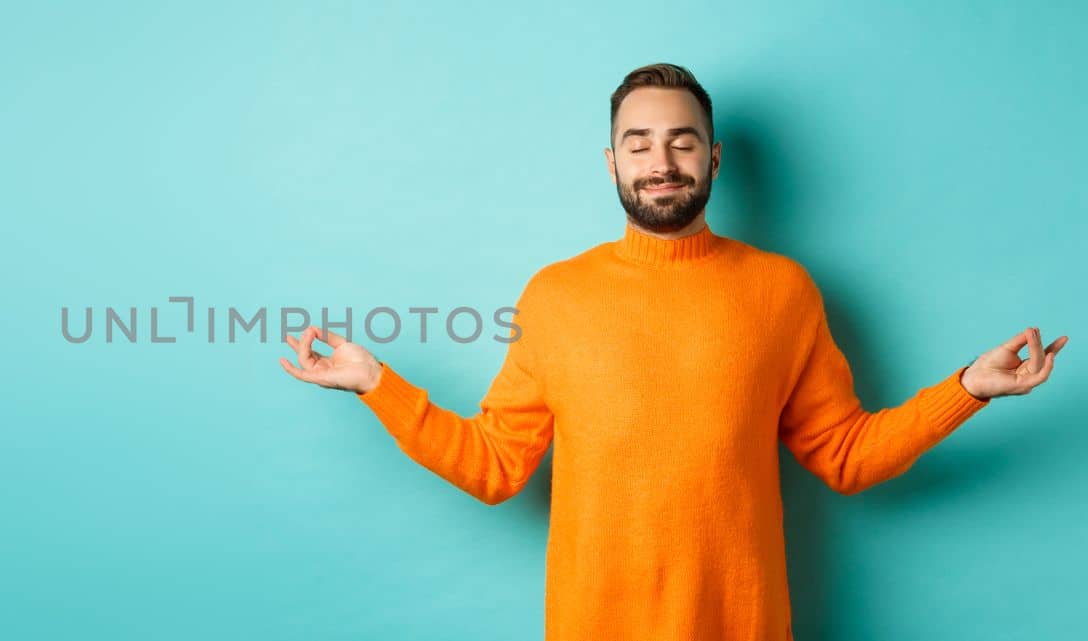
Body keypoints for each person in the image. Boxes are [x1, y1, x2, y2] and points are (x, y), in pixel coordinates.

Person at [277, 62, 1067, 641]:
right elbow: (495, 465)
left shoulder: (782, 290)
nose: (661, 162)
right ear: (612, 161)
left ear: (714, 159)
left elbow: (847, 454)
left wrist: (970, 386)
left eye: (683, 142)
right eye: (640, 143)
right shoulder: (556, 294)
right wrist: (372, 381)